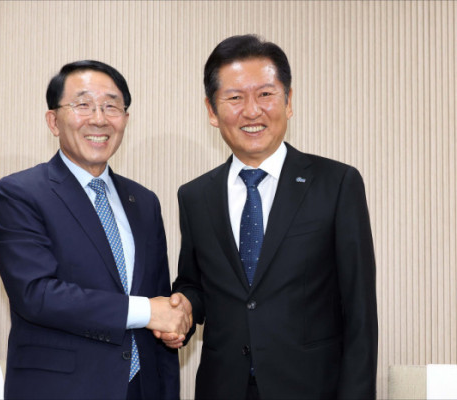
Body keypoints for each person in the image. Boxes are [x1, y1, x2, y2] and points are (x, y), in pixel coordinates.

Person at [162, 34, 378, 399]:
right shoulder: (195, 196)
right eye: (234, 98)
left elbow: (360, 310)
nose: (251, 111)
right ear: (212, 111)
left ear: (288, 101)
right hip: (222, 387)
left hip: (311, 389)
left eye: (265, 94)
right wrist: (183, 306)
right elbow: (195, 284)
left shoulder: (337, 183)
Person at [0, 60, 186, 400]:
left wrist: (169, 324)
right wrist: (146, 312)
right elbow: (36, 294)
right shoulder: (20, 193)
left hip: (141, 388)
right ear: (53, 121)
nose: (99, 118)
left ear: (125, 119)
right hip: (61, 390)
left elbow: (158, 302)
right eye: (83, 105)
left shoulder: (144, 201)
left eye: (111, 106)